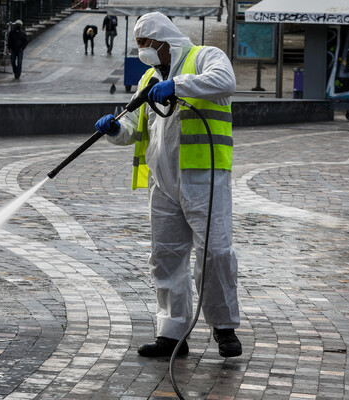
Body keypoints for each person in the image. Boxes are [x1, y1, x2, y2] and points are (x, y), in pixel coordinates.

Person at [94, 12, 241, 358]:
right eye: (139, 45)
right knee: (166, 257)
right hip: (162, 182)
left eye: (146, 43)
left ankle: (224, 328)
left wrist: (177, 85)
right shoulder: (148, 77)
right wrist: (116, 130)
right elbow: (134, 126)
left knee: (216, 252)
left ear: (164, 40)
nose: (142, 50)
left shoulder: (205, 57)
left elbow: (225, 81)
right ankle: (172, 333)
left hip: (204, 175)